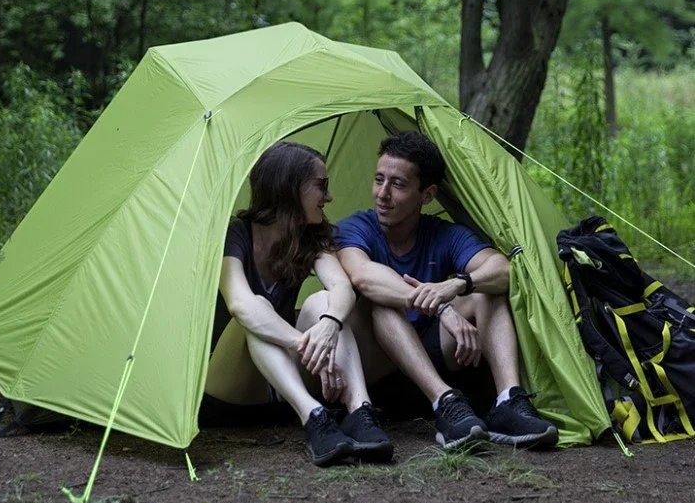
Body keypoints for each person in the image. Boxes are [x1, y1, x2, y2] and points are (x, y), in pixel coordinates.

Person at [336, 131, 558, 450]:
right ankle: (445, 401)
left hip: (432, 353)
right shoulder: (355, 227)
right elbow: (363, 277)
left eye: (397, 185)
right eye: (379, 179)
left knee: (484, 291)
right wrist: (442, 308)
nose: (382, 194)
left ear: (427, 195)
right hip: (376, 373)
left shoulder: (443, 234)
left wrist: (456, 284)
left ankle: (508, 401)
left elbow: (502, 270)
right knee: (380, 304)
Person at [205, 140, 393, 467]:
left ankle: (360, 412)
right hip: (230, 390)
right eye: (321, 187)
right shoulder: (236, 235)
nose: (329, 197)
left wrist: (330, 327)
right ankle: (314, 417)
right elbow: (238, 303)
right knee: (255, 310)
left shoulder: (312, 236)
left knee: (324, 302)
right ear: (291, 189)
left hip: (281, 387)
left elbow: (342, 289)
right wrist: (306, 343)